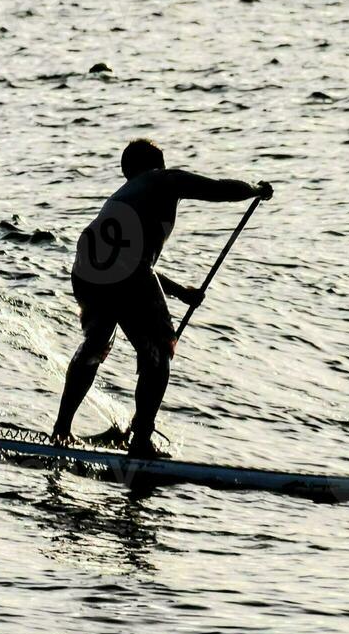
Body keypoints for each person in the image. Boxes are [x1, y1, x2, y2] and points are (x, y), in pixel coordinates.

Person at [52, 138, 272, 457]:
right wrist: (255, 189)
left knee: (96, 345)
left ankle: (62, 430)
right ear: (160, 163)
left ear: (127, 172)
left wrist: (181, 292)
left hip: (85, 271)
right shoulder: (164, 179)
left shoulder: (124, 195)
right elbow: (219, 189)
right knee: (158, 351)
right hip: (123, 274)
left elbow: (130, 264)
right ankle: (140, 441)